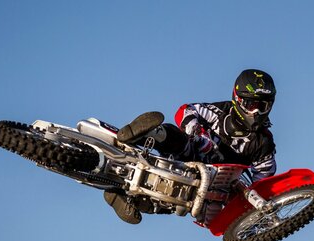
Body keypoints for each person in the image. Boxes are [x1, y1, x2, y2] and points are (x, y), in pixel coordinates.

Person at [104, 69, 278, 224]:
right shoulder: (220, 112)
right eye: (252, 105)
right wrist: (196, 130)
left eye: (262, 106)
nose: (256, 112)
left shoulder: (263, 143)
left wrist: (253, 202)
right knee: (180, 141)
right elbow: (186, 110)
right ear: (238, 99)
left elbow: (264, 181)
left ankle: (124, 198)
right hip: (193, 153)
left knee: (179, 205)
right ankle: (146, 133)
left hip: (216, 185)